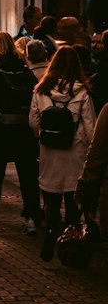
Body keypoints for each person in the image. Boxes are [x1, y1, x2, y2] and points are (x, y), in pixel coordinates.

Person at [29, 47, 97, 261]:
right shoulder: (82, 92)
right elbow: (90, 127)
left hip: (50, 151)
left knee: (50, 194)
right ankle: (69, 233)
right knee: (71, 195)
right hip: (74, 151)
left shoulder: (41, 90)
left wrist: (44, 136)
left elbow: (33, 122)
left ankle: (51, 228)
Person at [0, 32, 42, 235]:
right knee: (27, 176)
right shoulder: (25, 71)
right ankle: (32, 218)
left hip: (0, 131)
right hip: (23, 130)